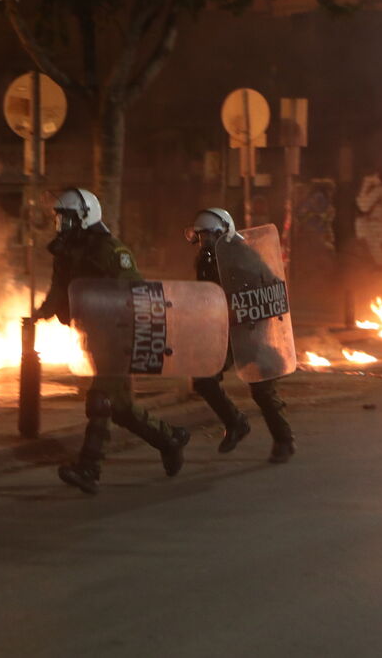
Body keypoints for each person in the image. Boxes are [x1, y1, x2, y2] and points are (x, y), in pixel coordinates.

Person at [34, 188, 190, 494]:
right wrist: (40, 313)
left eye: (68, 218)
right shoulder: (66, 250)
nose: (62, 224)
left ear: (86, 217)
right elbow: (59, 289)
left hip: (120, 333)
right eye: (60, 218)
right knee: (120, 408)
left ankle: (89, 468)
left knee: (100, 400)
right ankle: (169, 439)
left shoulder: (111, 250)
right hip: (95, 336)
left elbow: (136, 293)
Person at [185, 208, 295, 463]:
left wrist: (253, 320)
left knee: (261, 387)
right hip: (224, 329)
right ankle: (236, 423)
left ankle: (284, 439)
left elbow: (269, 289)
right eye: (201, 238)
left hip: (252, 329)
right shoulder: (206, 260)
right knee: (203, 378)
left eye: (210, 237)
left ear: (224, 233)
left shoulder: (245, 257)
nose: (205, 243)